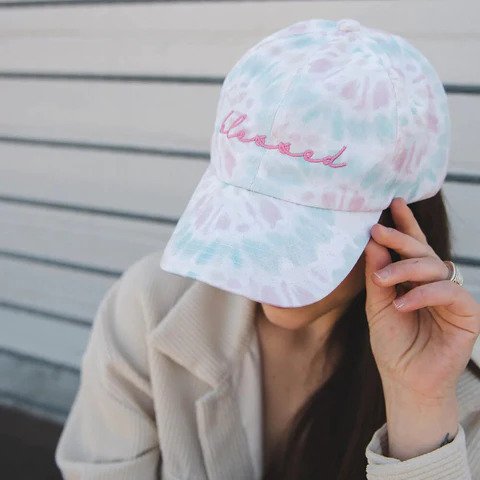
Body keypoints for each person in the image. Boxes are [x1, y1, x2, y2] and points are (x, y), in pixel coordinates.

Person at [55, 18, 480, 479]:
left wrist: (419, 406)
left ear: (402, 221)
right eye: (247, 213)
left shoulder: (455, 377)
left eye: (302, 231)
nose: (260, 266)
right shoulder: (149, 307)